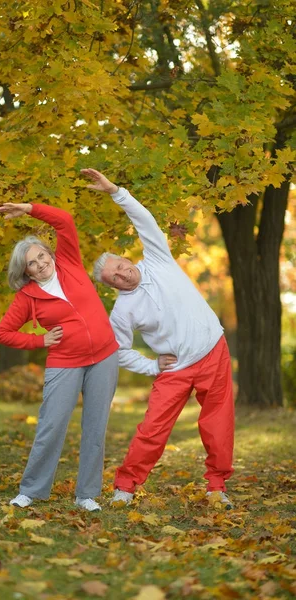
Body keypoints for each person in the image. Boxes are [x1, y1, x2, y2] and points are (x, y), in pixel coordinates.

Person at [82, 168, 235, 509]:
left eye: (120, 266)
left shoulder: (157, 260)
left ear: (125, 258)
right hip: (175, 368)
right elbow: (119, 350)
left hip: (213, 350)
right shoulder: (121, 312)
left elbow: (144, 219)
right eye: (114, 279)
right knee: (152, 429)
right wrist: (151, 365)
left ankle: (216, 486)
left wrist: (114, 191)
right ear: (112, 287)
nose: (122, 274)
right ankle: (125, 487)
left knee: (218, 424)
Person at [0, 198, 119, 512]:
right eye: (31, 264)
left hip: (104, 357)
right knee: (51, 426)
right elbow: (4, 332)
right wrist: (41, 341)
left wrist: (28, 209)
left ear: (49, 253)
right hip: (65, 362)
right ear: (27, 272)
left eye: (40, 256)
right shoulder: (28, 297)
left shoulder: (70, 262)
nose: (40, 264)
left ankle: (86, 494)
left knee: (96, 426)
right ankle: (31, 490)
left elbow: (63, 220)